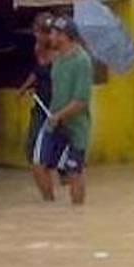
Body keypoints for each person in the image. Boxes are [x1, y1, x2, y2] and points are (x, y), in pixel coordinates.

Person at [43, 16, 94, 205]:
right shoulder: (57, 59)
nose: (51, 36)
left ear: (66, 36)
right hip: (55, 125)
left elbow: (81, 100)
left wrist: (58, 115)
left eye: (55, 33)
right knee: (41, 164)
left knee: (74, 171)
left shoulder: (82, 61)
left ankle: (78, 213)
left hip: (76, 128)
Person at [18, 13, 56, 200]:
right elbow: (37, 72)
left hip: (56, 109)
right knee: (32, 150)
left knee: (42, 154)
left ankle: (50, 197)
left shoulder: (60, 54)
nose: (36, 36)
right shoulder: (37, 49)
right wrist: (25, 87)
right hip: (40, 106)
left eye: (39, 32)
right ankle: (48, 198)